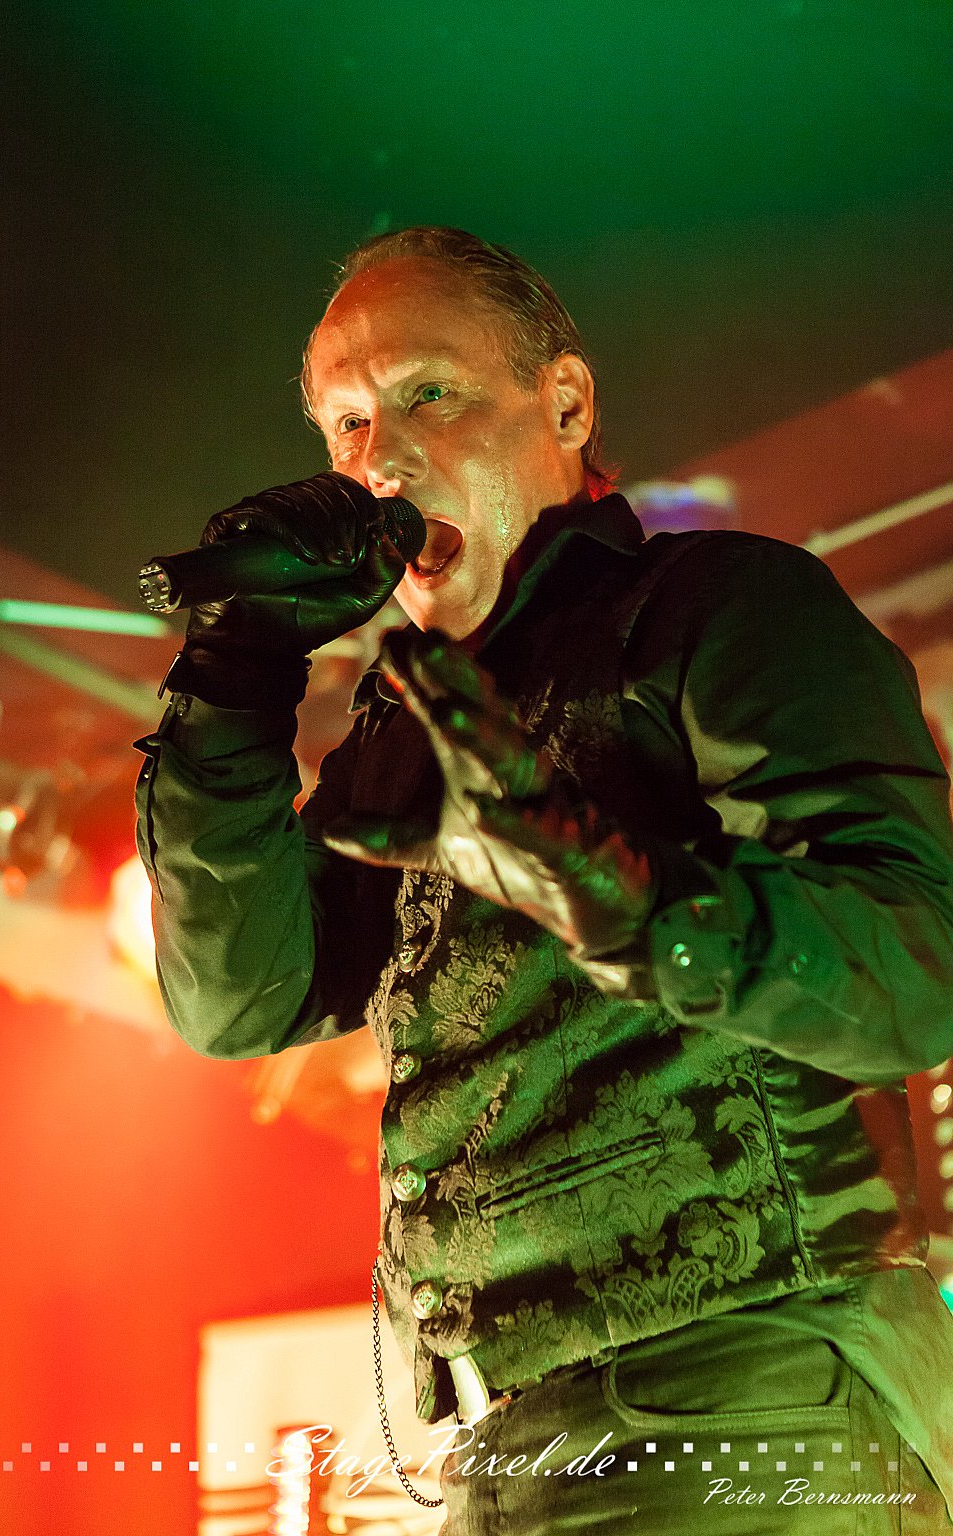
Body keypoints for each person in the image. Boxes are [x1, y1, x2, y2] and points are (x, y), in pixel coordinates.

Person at [135, 227, 953, 1533]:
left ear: (565, 404)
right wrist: (233, 679)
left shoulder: (719, 605)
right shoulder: (401, 734)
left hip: (755, 1383)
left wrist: (583, 872)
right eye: (346, 423)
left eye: (428, 393)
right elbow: (240, 998)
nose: (379, 459)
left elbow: (913, 973)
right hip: (508, 1446)